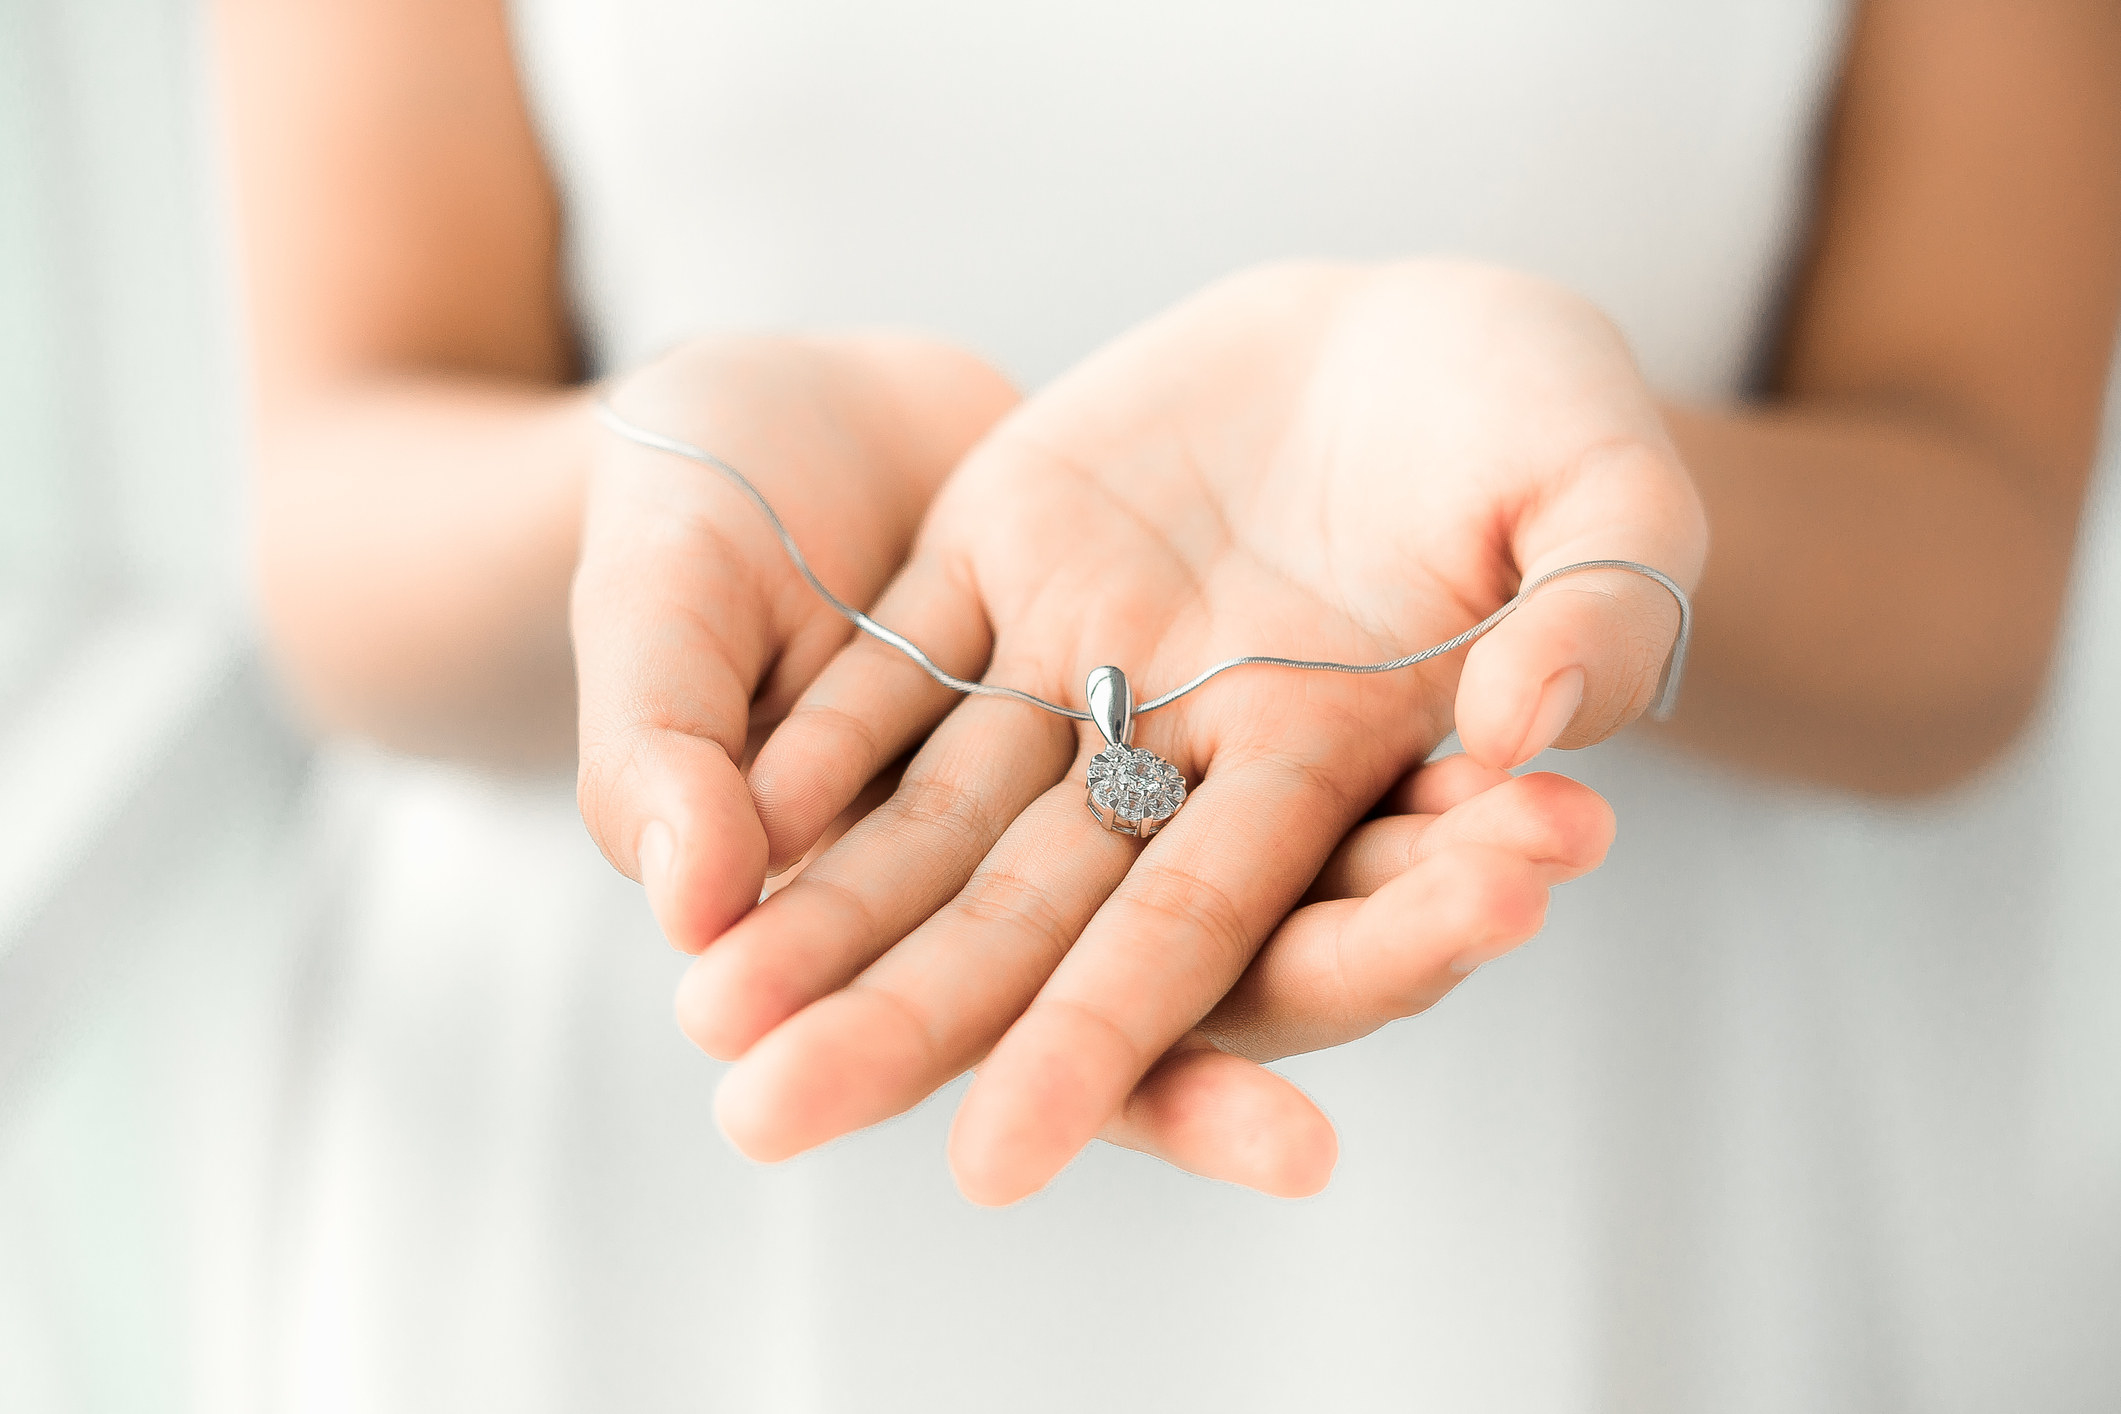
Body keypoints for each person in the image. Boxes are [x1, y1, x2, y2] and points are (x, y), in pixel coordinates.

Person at [214, 0, 2121, 1407]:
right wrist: (662, 514)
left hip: (1578, 1119)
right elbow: (331, 522)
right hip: (652, 1127)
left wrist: (1590, 520)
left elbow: (1978, 564)